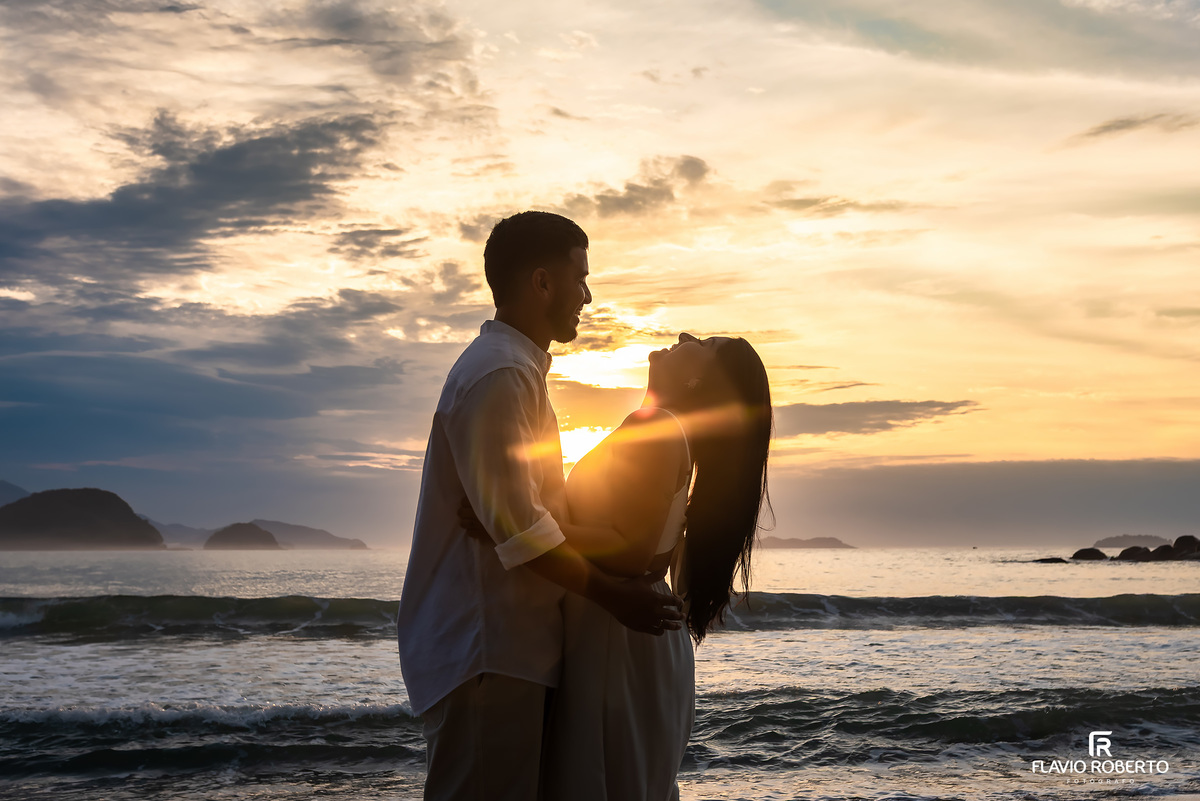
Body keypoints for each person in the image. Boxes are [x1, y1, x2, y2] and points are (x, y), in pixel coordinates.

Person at [396, 210, 683, 801]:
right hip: (487, 647)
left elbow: (518, 520)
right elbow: (520, 532)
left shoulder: (515, 371)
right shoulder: (499, 375)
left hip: (507, 647)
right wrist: (612, 596)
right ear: (541, 282)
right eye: (579, 278)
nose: (587, 294)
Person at [466, 330, 773, 800]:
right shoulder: (656, 427)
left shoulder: (656, 428)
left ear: (696, 380)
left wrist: (512, 524)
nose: (685, 335)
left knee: (603, 782)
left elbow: (631, 549)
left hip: (618, 634)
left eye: (704, 343)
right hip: (628, 633)